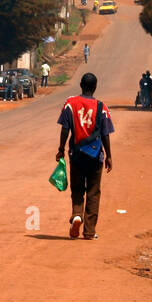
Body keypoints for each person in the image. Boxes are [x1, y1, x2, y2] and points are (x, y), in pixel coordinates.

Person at [56, 72, 114, 241]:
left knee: (77, 189)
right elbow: (105, 134)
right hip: (95, 156)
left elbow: (65, 129)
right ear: (95, 87)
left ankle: (76, 215)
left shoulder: (70, 103)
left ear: (81, 85)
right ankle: (89, 231)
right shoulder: (101, 107)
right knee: (94, 192)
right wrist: (109, 156)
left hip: (76, 155)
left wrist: (61, 148)